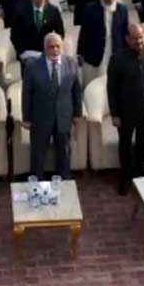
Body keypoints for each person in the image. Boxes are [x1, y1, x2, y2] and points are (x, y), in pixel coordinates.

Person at [107, 23, 144, 194]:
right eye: (135, 38)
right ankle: (125, 178)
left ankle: (140, 177)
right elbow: (111, 89)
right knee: (125, 146)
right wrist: (115, 114)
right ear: (127, 39)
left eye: (140, 37)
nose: (138, 41)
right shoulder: (117, 58)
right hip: (125, 113)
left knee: (142, 145)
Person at [21, 33, 82, 181]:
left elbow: (76, 91)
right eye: (51, 47)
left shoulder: (71, 63)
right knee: (38, 151)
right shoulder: (32, 66)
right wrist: (27, 118)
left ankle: (65, 180)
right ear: (45, 48)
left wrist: (77, 114)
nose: (55, 50)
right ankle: (37, 181)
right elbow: (27, 94)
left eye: (57, 47)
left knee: (64, 151)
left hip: (64, 116)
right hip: (40, 117)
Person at [78, 0, 130, 84]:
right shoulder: (90, 9)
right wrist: (80, 52)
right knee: (96, 81)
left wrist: (127, 52)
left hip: (115, 49)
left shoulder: (122, 9)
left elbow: (125, 32)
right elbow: (84, 32)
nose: (110, 0)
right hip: (96, 51)